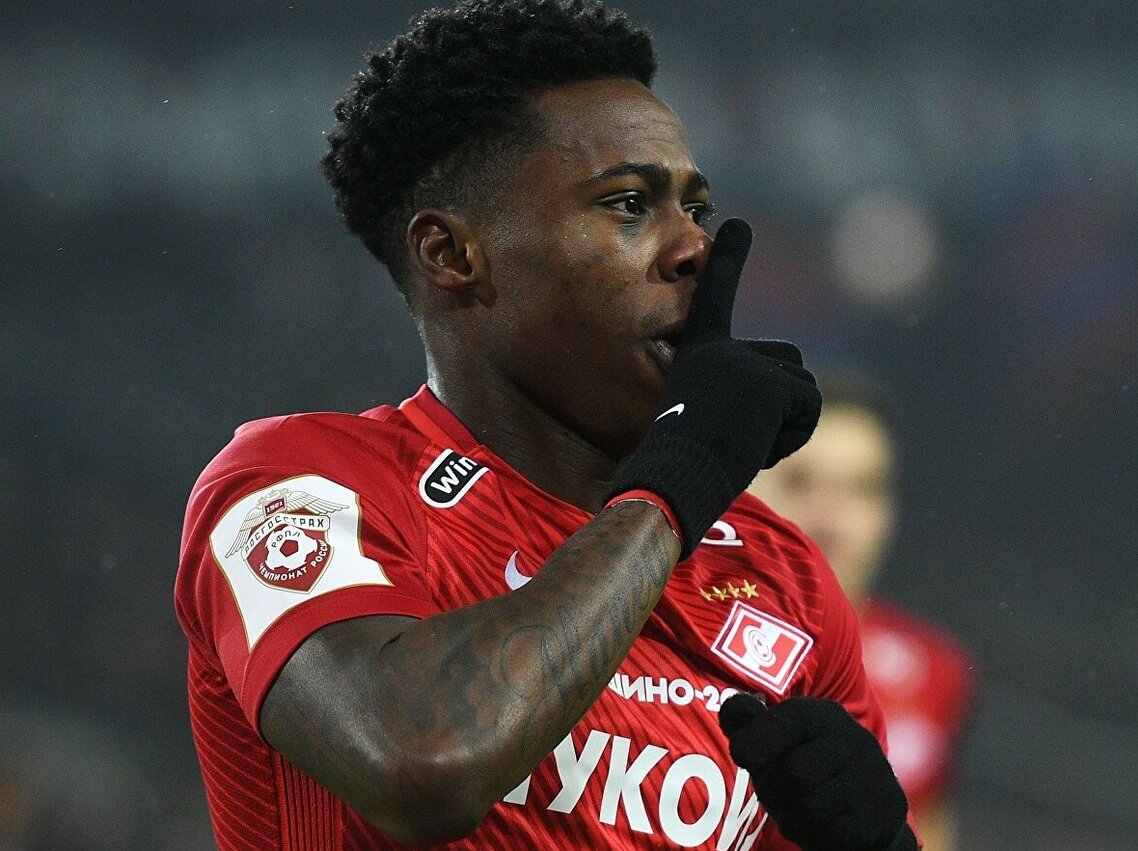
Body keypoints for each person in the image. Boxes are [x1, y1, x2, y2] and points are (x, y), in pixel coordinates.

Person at [175, 2, 922, 848]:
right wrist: (680, 479)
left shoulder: (783, 575)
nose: (694, 249)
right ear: (453, 254)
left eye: (696, 210)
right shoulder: (300, 488)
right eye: (630, 204)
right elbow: (421, 764)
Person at [748, 371, 975, 851]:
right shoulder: (672, 641)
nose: (832, 520)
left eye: (862, 489)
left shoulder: (936, 671)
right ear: (746, 491)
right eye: (801, 482)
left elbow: (929, 823)